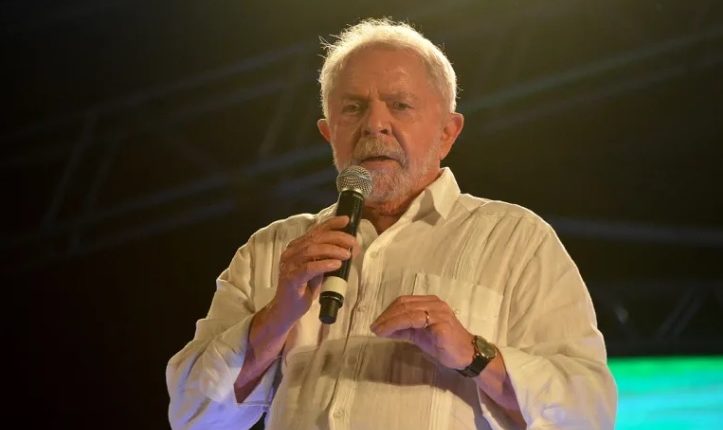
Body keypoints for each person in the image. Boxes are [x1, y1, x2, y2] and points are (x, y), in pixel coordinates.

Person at [166, 18, 617, 430]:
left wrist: (473, 354)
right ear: (329, 133)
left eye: (400, 105)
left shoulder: (517, 240)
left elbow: (589, 413)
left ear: (448, 132)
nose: (374, 124)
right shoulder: (273, 250)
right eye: (353, 108)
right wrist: (276, 317)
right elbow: (192, 416)